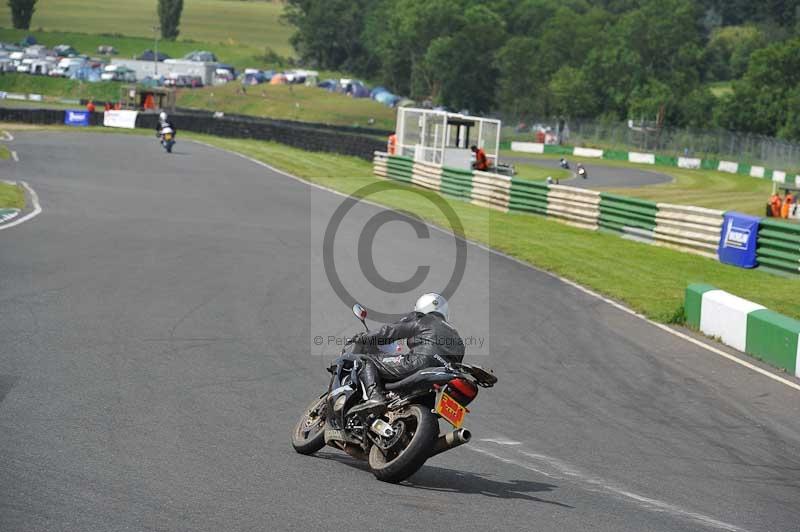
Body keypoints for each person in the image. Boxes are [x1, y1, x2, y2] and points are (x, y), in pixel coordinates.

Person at [350, 293, 465, 413]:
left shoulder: (421, 318)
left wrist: (364, 337)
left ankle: (374, 397)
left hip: (420, 362)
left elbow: (391, 331)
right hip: (443, 375)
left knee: (364, 360)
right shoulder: (457, 337)